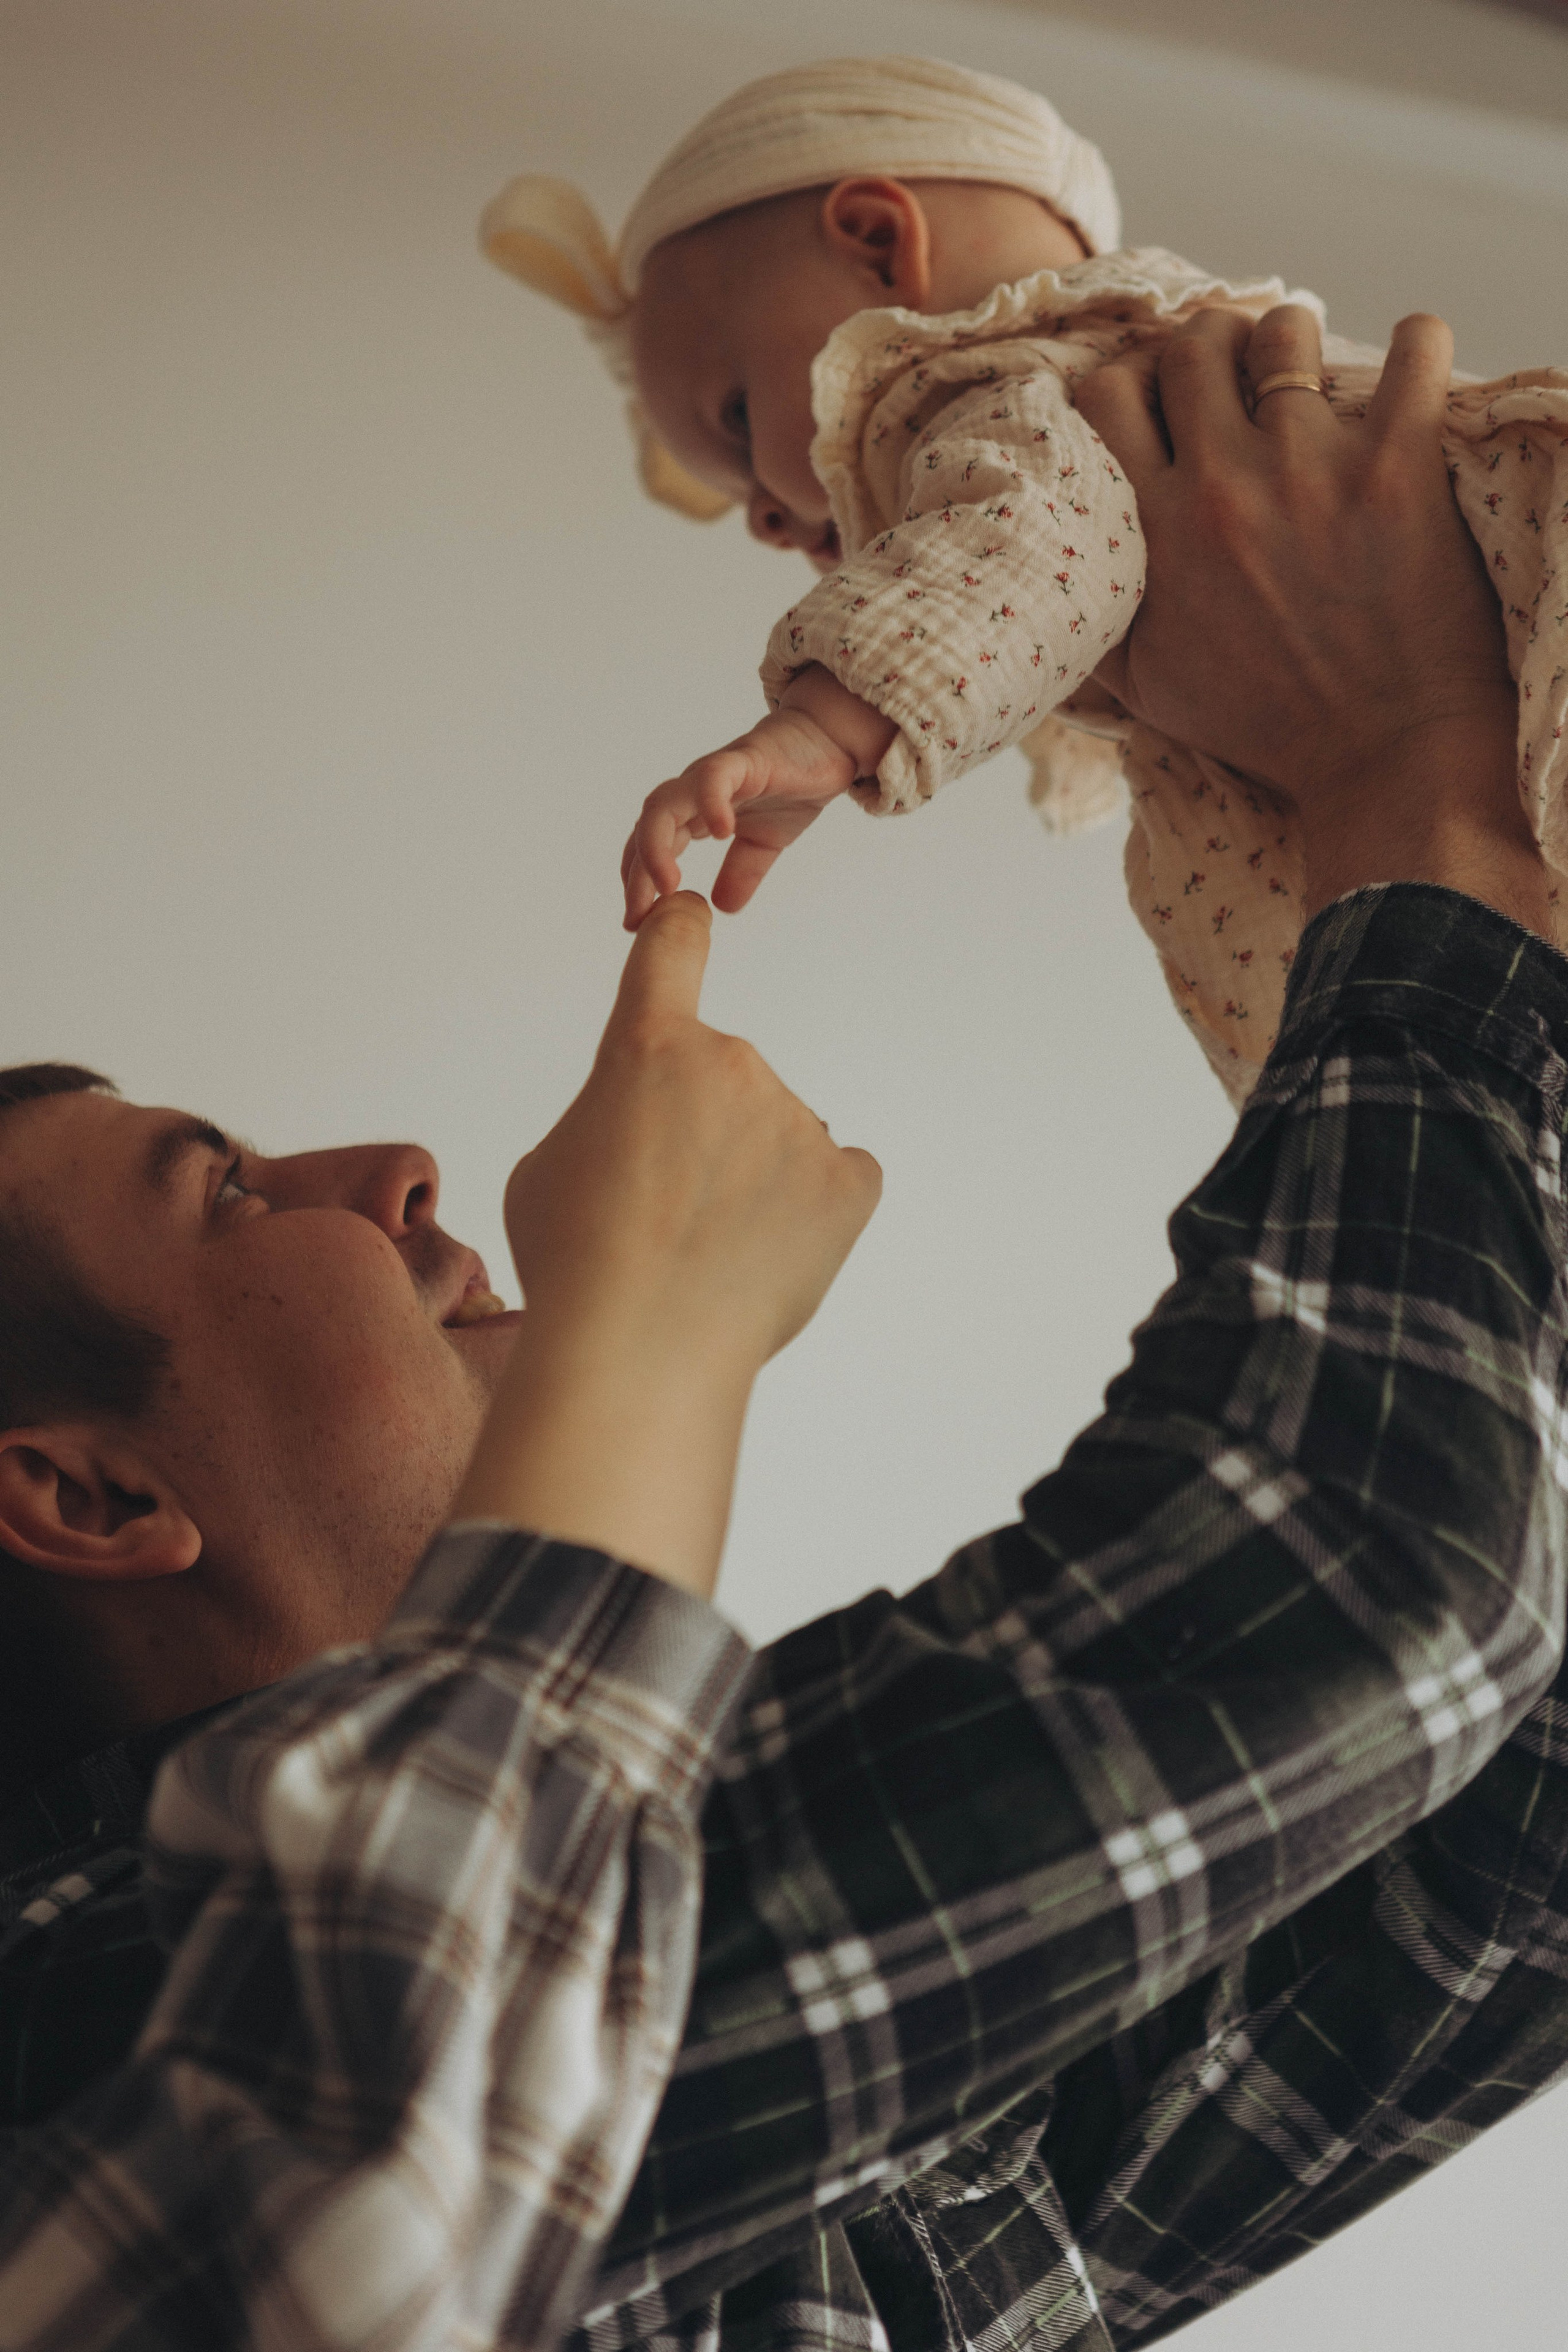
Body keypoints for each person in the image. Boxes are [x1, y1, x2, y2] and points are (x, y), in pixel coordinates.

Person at [2, 298, 1566, 2352]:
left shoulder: (714, 1977)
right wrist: (1408, 776)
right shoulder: (83, 2032)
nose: (390, 1171)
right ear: (81, 1490)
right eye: (222, 1187)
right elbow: (1353, 1578)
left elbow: (1510, 1831)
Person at [483, 53, 1568, 1104]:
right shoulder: (1112, 373)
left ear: (874, 245)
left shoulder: (1002, 380)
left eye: (735, 422)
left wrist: (821, 728)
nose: (766, 518)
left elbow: (1023, 537)